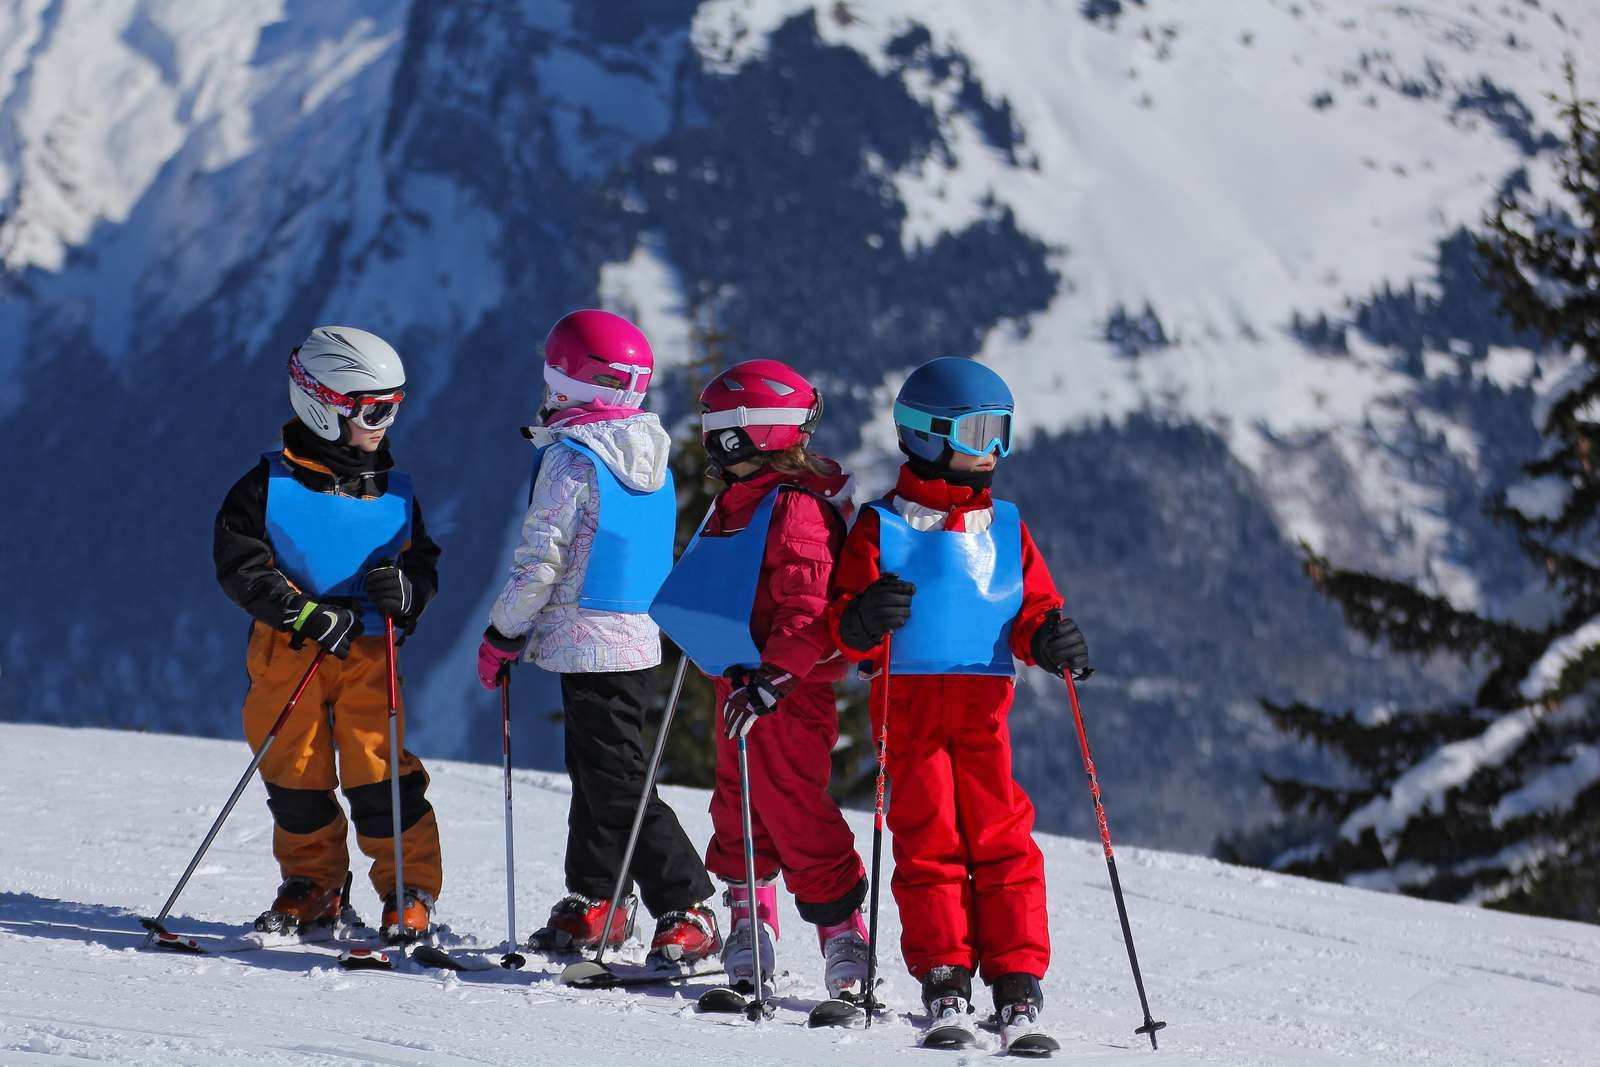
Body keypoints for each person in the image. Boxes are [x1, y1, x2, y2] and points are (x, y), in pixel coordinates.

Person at [825, 356, 1090, 1046]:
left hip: (982, 712)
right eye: (977, 432)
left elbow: (1031, 606)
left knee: (1002, 836)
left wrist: (1050, 636)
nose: (992, 451)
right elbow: (844, 621)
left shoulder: (1006, 526)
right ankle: (946, 972)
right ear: (925, 434)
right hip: (908, 711)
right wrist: (861, 621)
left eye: (1001, 432)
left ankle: (1016, 976)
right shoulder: (881, 526)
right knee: (930, 838)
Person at [476, 309, 719, 965]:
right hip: (636, 637)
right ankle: (598, 897)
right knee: (598, 769)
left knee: (616, 778)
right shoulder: (654, 456)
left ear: (579, 387)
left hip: (587, 638)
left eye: (555, 381)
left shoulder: (570, 462)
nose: (548, 392)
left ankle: (687, 901)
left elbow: (539, 563)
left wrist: (502, 631)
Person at [213, 326, 444, 942]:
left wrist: (408, 592)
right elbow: (241, 565)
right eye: (373, 409)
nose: (385, 422)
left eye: (395, 407)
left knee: (379, 770)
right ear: (323, 405)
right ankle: (314, 884)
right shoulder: (266, 488)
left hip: (368, 649)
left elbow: (422, 562)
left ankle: (407, 889)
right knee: (296, 768)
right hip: (291, 648)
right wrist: (302, 612)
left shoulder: (395, 494)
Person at [650, 360, 870, 1000]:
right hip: (740, 678)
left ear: (755, 431)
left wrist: (775, 679)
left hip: (786, 690)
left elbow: (806, 606)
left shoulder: (796, 508)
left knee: (794, 805)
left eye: (717, 423)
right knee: (738, 800)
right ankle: (752, 922)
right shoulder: (738, 497)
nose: (706, 434)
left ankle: (842, 934)